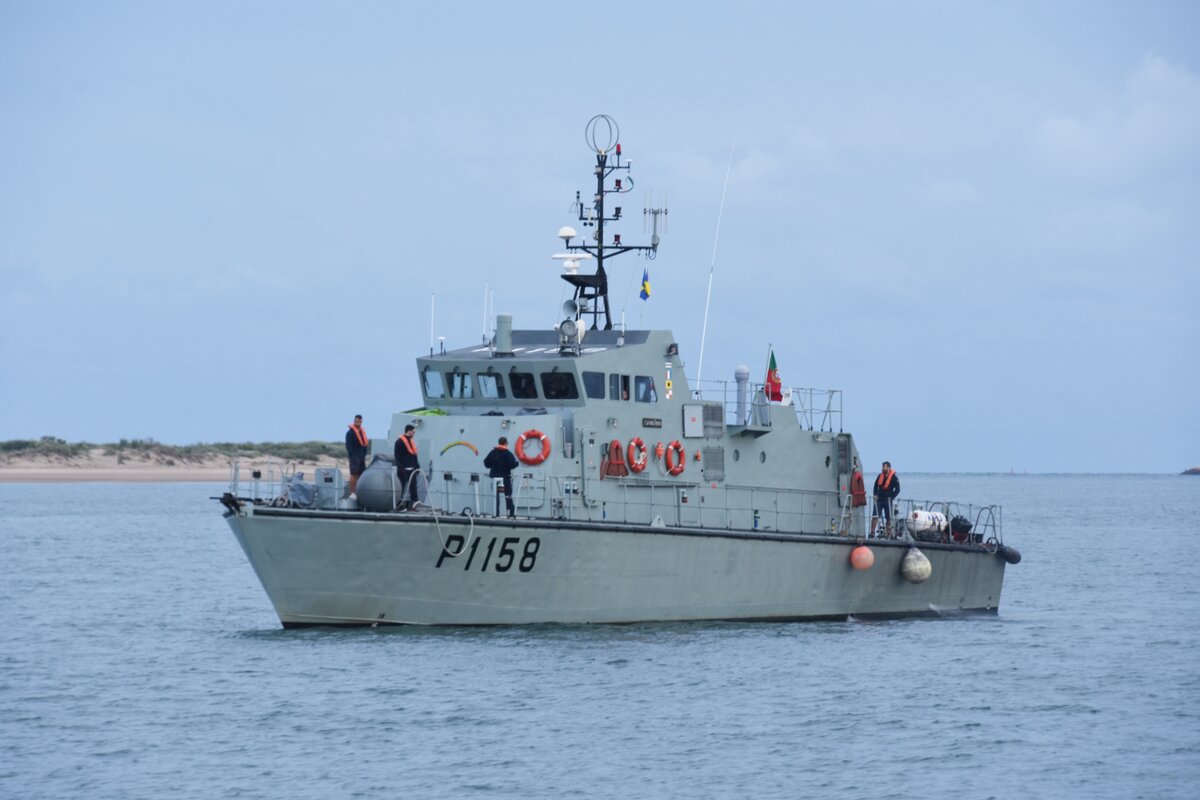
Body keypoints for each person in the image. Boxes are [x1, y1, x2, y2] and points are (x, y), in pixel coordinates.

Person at [483, 436, 520, 518]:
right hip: (505, 478)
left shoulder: (493, 452)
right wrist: (517, 463)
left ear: (499, 443)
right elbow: (512, 464)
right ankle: (511, 513)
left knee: (496, 496)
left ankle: (496, 513)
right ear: (506, 443)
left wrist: (492, 466)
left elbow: (486, 463)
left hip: (495, 478)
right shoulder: (508, 453)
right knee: (508, 495)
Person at [393, 423, 420, 510]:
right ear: (409, 431)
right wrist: (400, 468)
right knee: (401, 488)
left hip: (412, 469)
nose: (414, 434)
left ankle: (414, 505)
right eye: (413, 432)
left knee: (413, 488)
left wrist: (417, 466)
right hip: (403, 469)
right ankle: (399, 505)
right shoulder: (399, 442)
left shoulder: (412, 442)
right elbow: (397, 456)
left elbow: (414, 455)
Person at [871, 461, 900, 537]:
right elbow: (875, 486)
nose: (883, 468)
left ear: (889, 468)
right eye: (882, 467)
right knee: (875, 516)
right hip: (879, 500)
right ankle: (872, 533)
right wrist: (875, 495)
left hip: (888, 500)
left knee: (888, 518)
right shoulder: (880, 476)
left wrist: (892, 498)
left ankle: (888, 533)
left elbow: (898, 489)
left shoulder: (894, 478)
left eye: (884, 467)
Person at [344, 415, 369, 497]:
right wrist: (353, 456)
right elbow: (348, 446)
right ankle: (352, 492)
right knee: (354, 474)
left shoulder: (362, 432)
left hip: (362, 457)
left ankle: (358, 491)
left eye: (360, 421)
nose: (358, 422)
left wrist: (364, 454)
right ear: (354, 421)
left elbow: (364, 444)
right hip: (354, 457)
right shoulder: (350, 433)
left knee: (361, 474)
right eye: (357, 420)